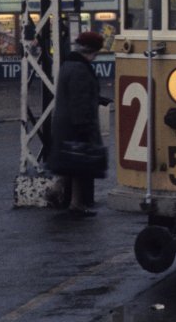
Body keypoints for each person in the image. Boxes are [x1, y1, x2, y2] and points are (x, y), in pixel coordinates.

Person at [48, 30, 105, 217]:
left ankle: (58, 191)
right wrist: (84, 127)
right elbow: (79, 100)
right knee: (80, 165)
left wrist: (98, 99)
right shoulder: (80, 69)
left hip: (64, 123)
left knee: (70, 163)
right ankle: (75, 203)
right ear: (92, 50)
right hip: (75, 124)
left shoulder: (69, 64)